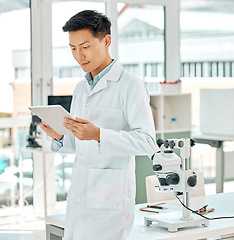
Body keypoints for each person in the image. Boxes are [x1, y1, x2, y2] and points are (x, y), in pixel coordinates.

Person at [40, 10, 158, 240]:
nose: (79, 55)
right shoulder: (81, 88)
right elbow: (80, 143)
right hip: (80, 198)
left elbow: (147, 142)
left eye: (85, 46)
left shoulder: (130, 85)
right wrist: (61, 136)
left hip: (110, 203)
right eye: (73, 48)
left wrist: (99, 135)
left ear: (106, 41)